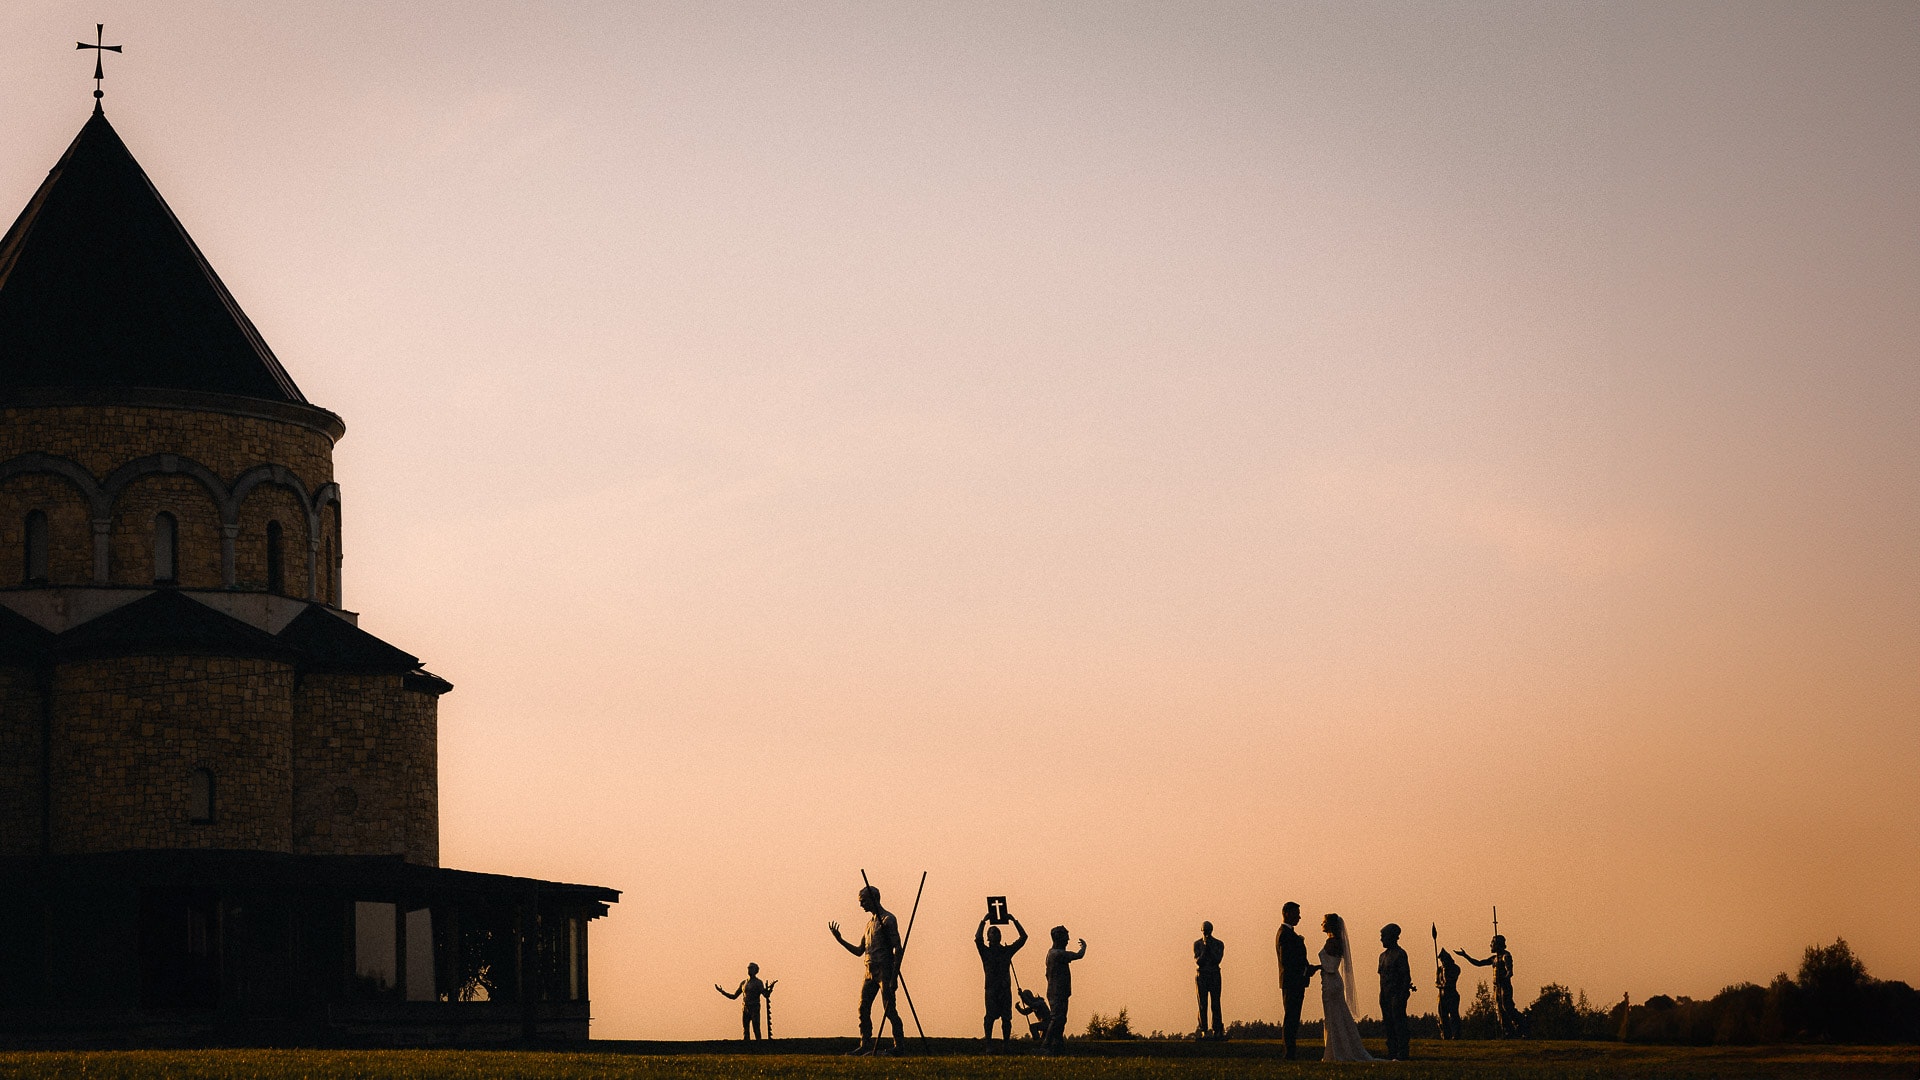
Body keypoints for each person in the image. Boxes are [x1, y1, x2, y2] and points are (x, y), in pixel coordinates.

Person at [829, 885, 904, 1055]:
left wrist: (894, 977)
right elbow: (859, 951)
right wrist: (840, 940)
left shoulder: (888, 920)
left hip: (884, 971)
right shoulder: (869, 924)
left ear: (873, 899)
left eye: (863, 901)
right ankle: (865, 1044)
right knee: (863, 1008)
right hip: (869, 971)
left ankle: (899, 1046)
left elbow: (898, 949)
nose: (861, 905)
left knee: (889, 1009)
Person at [1319, 913, 1374, 1061]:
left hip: (1331, 982)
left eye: (1323, 922)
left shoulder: (1332, 942)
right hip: (1332, 981)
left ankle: (1336, 1051)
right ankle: (1338, 1048)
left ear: (1330, 924)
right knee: (1336, 1015)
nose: (1321, 924)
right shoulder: (1336, 941)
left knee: (1333, 1015)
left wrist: (1315, 967)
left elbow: (1330, 966)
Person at [1456, 934, 1525, 1038]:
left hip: (1504, 986)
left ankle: (1522, 1026)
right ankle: (1508, 1032)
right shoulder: (1494, 958)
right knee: (1500, 1011)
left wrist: (1505, 978)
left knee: (1507, 1008)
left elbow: (1510, 971)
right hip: (1496, 987)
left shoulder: (1506, 956)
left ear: (1498, 944)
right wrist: (1466, 956)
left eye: (1492, 943)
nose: (1490, 945)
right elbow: (1479, 963)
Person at [1275, 901, 1319, 1059]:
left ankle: (1290, 1051)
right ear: (1286, 913)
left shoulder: (1288, 934)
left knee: (1293, 1017)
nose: (1299, 917)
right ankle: (1289, 1053)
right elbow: (1288, 961)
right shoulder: (1285, 935)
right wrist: (1306, 971)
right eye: (1296, 913)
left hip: (1295, 981)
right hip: (1292, 982)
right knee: (1291, 1017)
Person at [976, 912, 1029, 1040]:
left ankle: (1006, 1044)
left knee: (1006, 1018)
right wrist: (983, 921)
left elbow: (1023, 937)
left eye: (998, 932)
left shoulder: (1006, 951)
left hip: (1005, 989)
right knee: (989, 1017)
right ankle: (988, 1044)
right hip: (991, 989)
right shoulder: (985, 952)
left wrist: (1013, 920)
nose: (996, 934)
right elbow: (978, 939)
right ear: (988, 937)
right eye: (993, 932)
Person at [1043, 926, 1086, 1051]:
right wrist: (1084, 947)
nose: (1068, 940)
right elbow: (1078, 955)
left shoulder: (1052, 953)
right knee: (1057, 1018)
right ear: (1058, 938)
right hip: (1057, 991)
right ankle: (1046, 1044)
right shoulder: (1057, 954)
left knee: (1061, 1019)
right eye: (1066, 938)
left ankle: (1057, 1043)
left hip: (1059, 991)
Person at [1378, 924, 1414, 1060]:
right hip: (1385, 995)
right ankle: (1391, 1051)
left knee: (1399, 1023)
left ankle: (1402, 1051)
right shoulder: (1382, 956)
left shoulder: (1400, 954)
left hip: (1396, 994)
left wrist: (1402, 994)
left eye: (1383, 936)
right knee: (1388, 1024)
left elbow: (1406, 976)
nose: (1381, 940)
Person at [714, 963, 777, 1040]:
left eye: (751, 968)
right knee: (745, 1030)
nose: (749, 970)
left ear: (756, 971)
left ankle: (759, 1047)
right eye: (748, 968)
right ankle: (746, 1048)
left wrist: (771, 989)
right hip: (745, 1008)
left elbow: (765, 995)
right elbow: (734, 996)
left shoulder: (758, 983)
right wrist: (722, 991)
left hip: (754, 1008)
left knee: (756, 1028)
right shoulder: (743, 983)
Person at [1193, 920, 1225, 1039]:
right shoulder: (1197, 944)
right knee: (1202, 1003)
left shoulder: (1219, 944)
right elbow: (1198, 961)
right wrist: (1205, 948)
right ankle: (1203, 1029)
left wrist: (1209, 948)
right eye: (1205, 931)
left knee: (1216, 1003)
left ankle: (1217, 1029)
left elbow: (1217, 959)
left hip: (1214, 974)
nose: (1206, 934)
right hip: (1202, 975)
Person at [1436, 949, 1463, 1039]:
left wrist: (1444, 983)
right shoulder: (1439, 969)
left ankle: (1456, 1034)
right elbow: (1436, 982)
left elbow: (1450, 981)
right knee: (1443, 1016)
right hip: (1442, 995)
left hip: (1452, 994)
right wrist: (1441, 985)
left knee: (1454, 1015)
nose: (1442, 962)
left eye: (1444, 960)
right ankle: (1446, 1034)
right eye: (1441, 960)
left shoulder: (1455, 968)